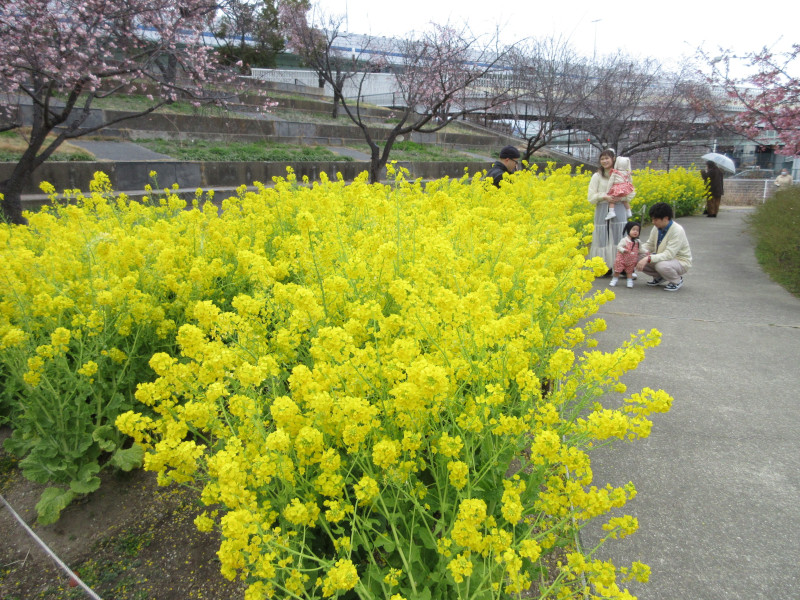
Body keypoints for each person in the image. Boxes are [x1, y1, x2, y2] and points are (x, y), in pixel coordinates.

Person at [588, 148, 629, 275]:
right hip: (602, 209)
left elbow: (630, 192)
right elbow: (591, 197)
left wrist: (620, 197)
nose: (604, 161)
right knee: (602, 238)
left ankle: (621, 267)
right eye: (602, 159)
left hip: (619, 208)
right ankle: (604, 267)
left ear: (613, 159)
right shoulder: (597, 176)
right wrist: (604, 196)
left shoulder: (621, 175)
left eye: (607, 158)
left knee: (619, 237)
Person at [636, 202, 692, 292]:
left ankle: (677, 280)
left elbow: (669, 254)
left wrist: (648, 258)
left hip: (680, 261)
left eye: (655, 219)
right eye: (652, 219)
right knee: (635, 256)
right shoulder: (657, 227)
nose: (653, 222)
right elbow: (650, 245)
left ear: (666, 218)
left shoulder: (677, 230)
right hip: (663, 257)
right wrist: (636, 248)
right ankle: (660, 277)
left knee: (661, 266)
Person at [609, 221, 641, 288]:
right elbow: (619, 246)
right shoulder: (624, 240)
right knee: (618, 270)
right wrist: (623, 250)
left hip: (631, 260)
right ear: (628, 230)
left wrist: (646, 251)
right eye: (633, 230)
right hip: (622, 258)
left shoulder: (638, 241)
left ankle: (629, 281)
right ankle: (614, 279)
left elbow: (641, 249)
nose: (635, 232)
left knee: (630, 271)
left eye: (637, 230)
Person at [605, 156, 635, 220]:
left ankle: (611, 212)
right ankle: (629, 211)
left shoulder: (615, 172)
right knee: (625, 200)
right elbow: (631, 180)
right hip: (625, 187)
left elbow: (610, 182)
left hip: (617, 188)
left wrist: (607, 191)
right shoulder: (627, 172)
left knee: (612, 200)